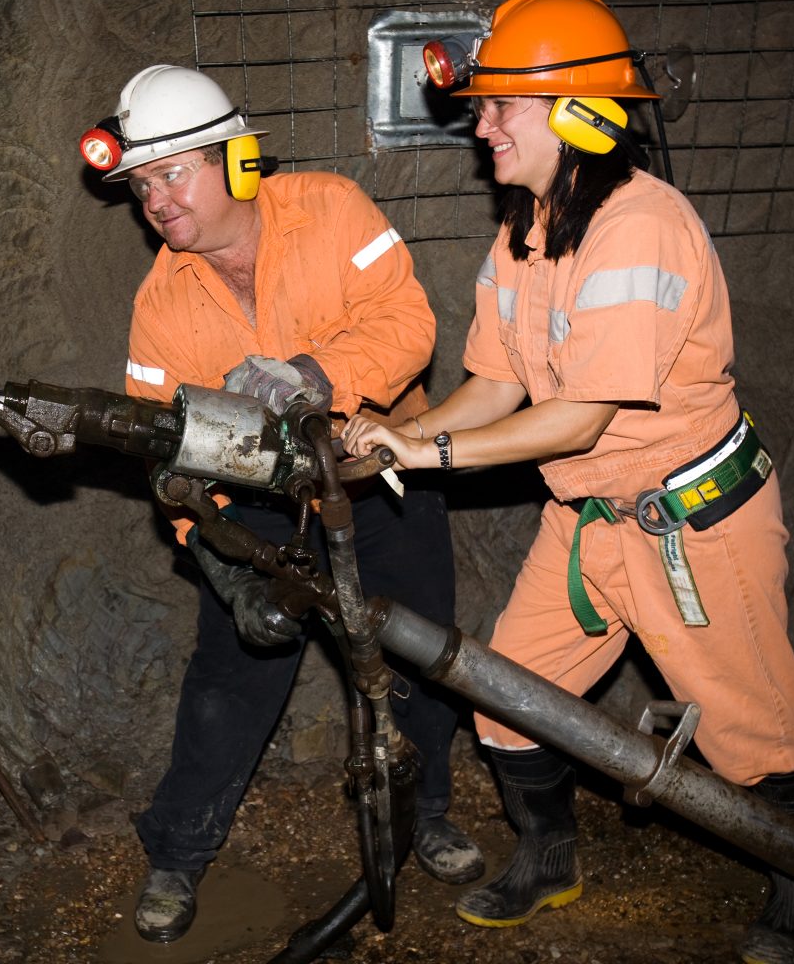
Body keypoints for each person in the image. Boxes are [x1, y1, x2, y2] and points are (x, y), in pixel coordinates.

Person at [342, 0, 794, 964]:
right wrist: (397, 435)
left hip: (690, 524)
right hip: (589, 523)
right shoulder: (524, 230)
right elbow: (494, 382)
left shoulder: (640, 225)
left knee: (750, 731)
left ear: (578, 113)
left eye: (499, 106)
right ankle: (549, 855)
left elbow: (578, 414)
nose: (480, 126)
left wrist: (423, 450)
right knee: (508, 691)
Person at [78, 64, 485, 943]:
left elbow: (408, 321)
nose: (155, 199)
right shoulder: (162, 306)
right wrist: (224, 571)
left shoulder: (333, 211)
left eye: (171, 173)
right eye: (142, 184)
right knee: (230, 674)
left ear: (237, 161)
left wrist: (313, 376)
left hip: (379, 470)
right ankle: (177, 856)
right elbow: (168, 463)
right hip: (262, 506)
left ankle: (431, 815)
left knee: (419, 650)